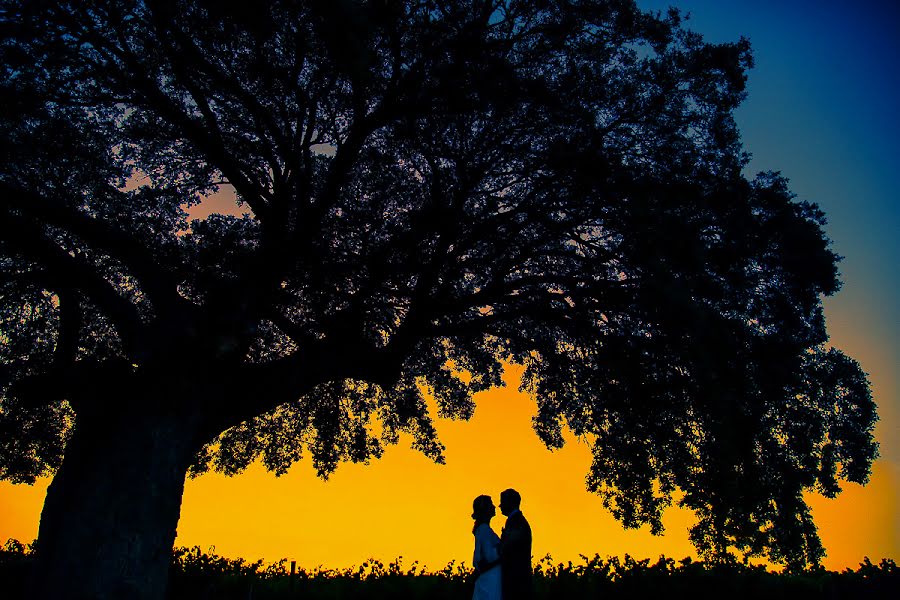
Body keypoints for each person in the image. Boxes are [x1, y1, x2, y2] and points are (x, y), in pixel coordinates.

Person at [499, 488, 533, 600]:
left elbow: (509, 547)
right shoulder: (515, 521)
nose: (500, 506)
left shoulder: (517, 522)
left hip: (517, 580)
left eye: (502, 502)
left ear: (510, 503)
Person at [471, 494, 502, 600]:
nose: (494, 507)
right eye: (491, 504)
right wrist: (504, 548)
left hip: (489, 579)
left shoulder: (483, 529)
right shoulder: (484, 530)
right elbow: (489, 556)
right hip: (491, 582)